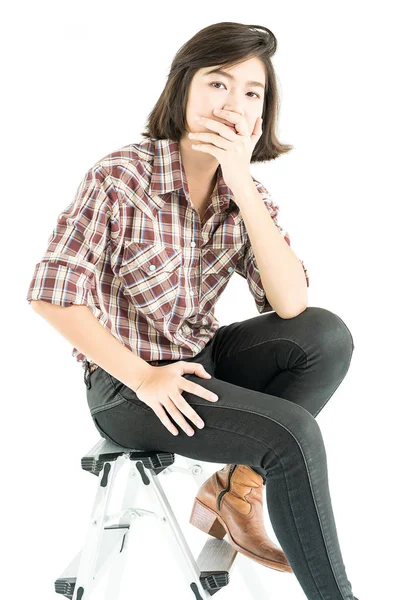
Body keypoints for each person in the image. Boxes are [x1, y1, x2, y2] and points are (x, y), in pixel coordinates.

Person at [27, 21, 359, 600]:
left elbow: (291, 304)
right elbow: (51, 294)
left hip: (200, 364)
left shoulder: (243, 195)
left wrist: (242, 182)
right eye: (217, 83)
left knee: (326, 335)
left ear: (261, 117)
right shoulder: (123, 175)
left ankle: (234, 489)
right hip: (127, 386)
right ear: (183, 90)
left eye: (251, 92)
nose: (233, 103)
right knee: (292, 434)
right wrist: (144, 376)